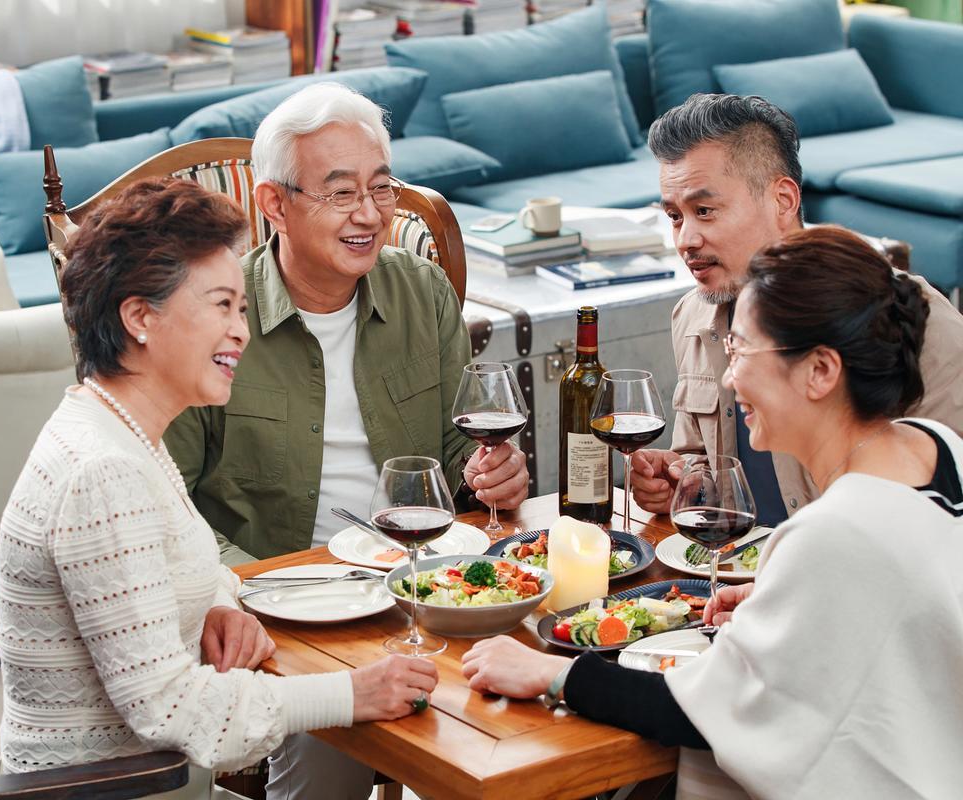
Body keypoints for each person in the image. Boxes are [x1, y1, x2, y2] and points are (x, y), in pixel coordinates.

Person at [462, 226, 963, 798]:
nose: (729, 377)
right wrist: (786, 599)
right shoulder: (940, 450)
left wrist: (551, 672)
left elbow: (707, 712)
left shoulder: (831, 533)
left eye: (742, 350)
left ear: (821, 371)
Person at [0, 178, 438, 800]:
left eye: (243, 309)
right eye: (221, 306)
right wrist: (353, 693)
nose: (241, 332)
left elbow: (168, 568)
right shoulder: (104, 472)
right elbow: (171, 709)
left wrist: (222, 602)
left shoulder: (122, 430)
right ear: (140, 318)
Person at [164, 82, 529, 567]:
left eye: (381, 188)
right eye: (341, 193)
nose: (370, 215)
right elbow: (166, 507)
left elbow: (461, 450)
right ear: (275, 205)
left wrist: (492, 475)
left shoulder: (423, 291)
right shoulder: (206, 317)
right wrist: (258, 585)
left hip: (418, 568)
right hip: (276, 590)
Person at [630, 93, 963, 526]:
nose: (684, 240)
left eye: (705, 211)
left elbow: (950, 490)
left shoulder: (906, 315)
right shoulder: (694, 315)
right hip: (743, 560)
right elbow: (704, 460)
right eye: (675, 216)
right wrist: (682, 481)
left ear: (783, 200)